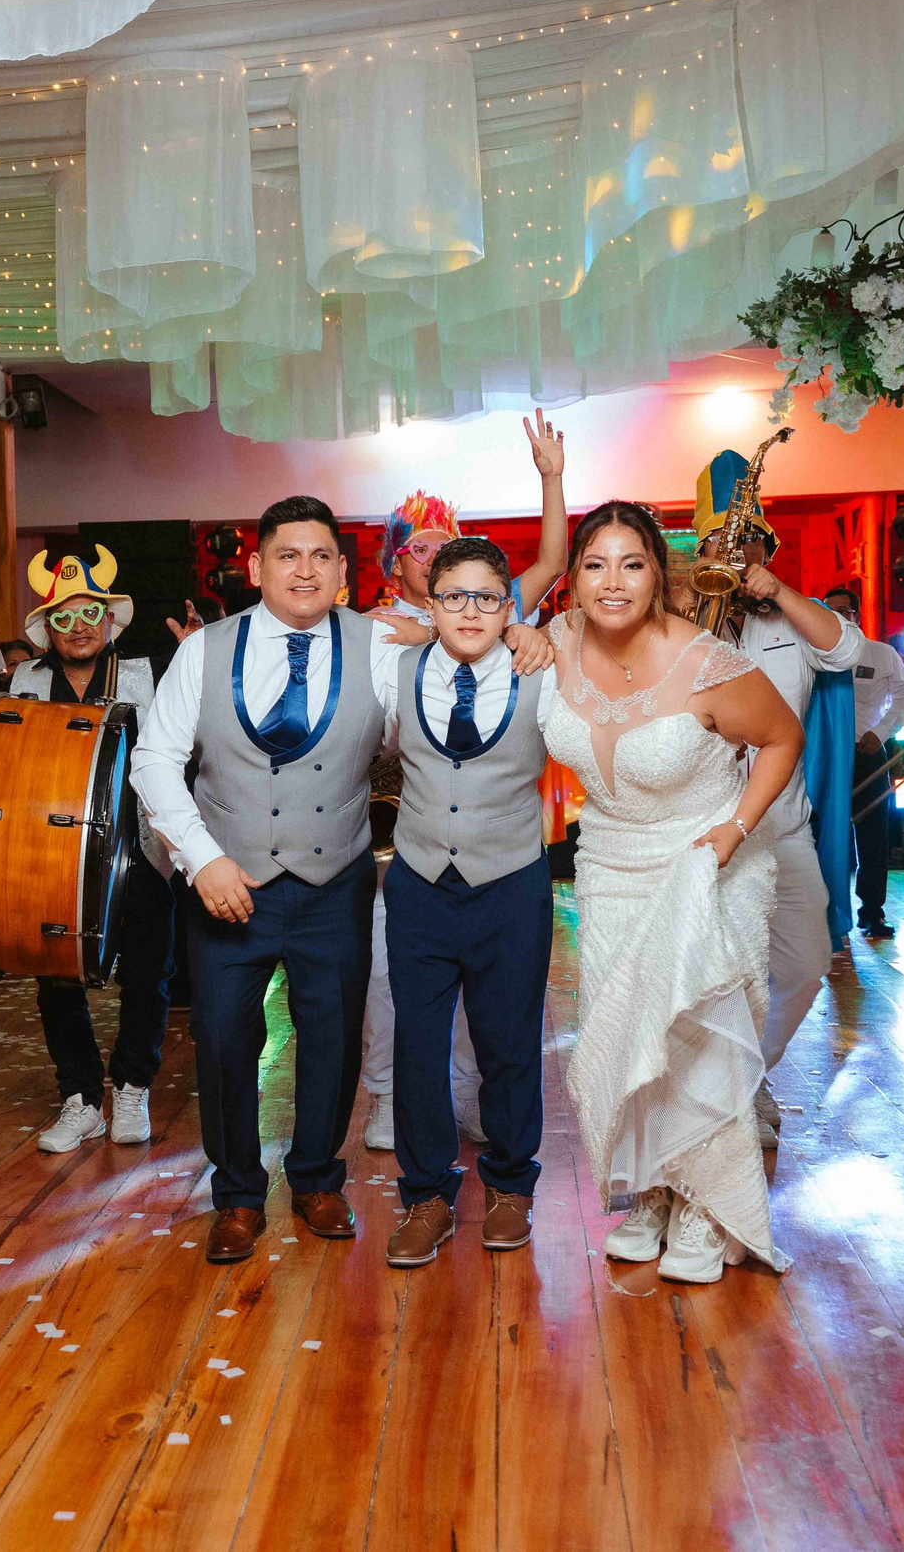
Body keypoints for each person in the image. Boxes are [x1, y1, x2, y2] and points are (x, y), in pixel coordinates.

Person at [130, 496, 396, 1265]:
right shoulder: (205, 651)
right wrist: (201, 857)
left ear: (343, 572)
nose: (304, 569)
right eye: (288, 554)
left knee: (332, 1038)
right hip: (227, 881)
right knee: (220, 1040)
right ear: (257, 566)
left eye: (321, 556)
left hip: (333, 878)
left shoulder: (381, 644)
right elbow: (152, 760)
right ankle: (239, 1194)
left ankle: (316, 1177)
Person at [546, 502, 805, 1284]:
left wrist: (735, 827)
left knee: (693, 1026)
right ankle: (656, 1186)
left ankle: (709, 1205)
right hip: (611, 863)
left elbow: (782, 736)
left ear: (661, 573)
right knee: (630, 1029)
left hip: (705, 858)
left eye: (631, 563)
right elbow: (476, 621)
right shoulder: (554, 638)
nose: (612, 581)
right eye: (595, 564)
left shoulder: (705, 662)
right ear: (576, 578)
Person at [357, 413, 568, 1153]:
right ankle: (389, 1100)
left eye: (445, 544)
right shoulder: (376, 627)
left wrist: (550, 477)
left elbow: (546, 565)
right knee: (391, 986)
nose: (435, 555)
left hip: (499, 851)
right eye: (421, 547)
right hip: (401, 835)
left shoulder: (495, 613)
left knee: (498, 1009)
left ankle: (483, 1110)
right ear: (397, 562)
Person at [373, 537, 555, 1267]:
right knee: (417, 1042)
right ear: (430, 603)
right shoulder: (397, 668)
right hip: (419, 881)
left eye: (487, 596)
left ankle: (511, 1185)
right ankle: (426, 1195)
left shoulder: (543, 666)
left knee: (508, 1041)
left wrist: (537, 634)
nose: (470, 609)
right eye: (454, 595)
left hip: (511, 880)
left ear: (509, 606)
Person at [701, 452, 862, 1123]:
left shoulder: (791, 623)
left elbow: (847, 649)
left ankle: (745, 1077)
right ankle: (723, 1098)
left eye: (748, 543)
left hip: (782, 829)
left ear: (766, 549)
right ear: (701, 549)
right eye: (721, 543)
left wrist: (778, 591)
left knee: (804, 963)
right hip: (707, 833)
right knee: (716, 976)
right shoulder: (682, 624)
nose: (735, 554)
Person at [7, 545, 175, 1155]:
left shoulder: (147, 672)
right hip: (49, 852)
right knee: (55, 974)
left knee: (148, 974)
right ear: (46, 629)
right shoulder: (24, 681)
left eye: (88, 616)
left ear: (110, 621)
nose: (77, 629)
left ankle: (132, 1085)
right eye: (61, 618)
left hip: (141, 846)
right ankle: (79, 1096)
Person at [825, 586, 904, 940]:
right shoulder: (815, 655)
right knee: (826, 836)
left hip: (869, 752)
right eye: (828, 611)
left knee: (874, 837)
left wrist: (880, 732)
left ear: (857, 616)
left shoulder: (882, 653)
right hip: (827, 755)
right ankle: (832, 916)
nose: (837, 617)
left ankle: (872, 912)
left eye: (844, 611)